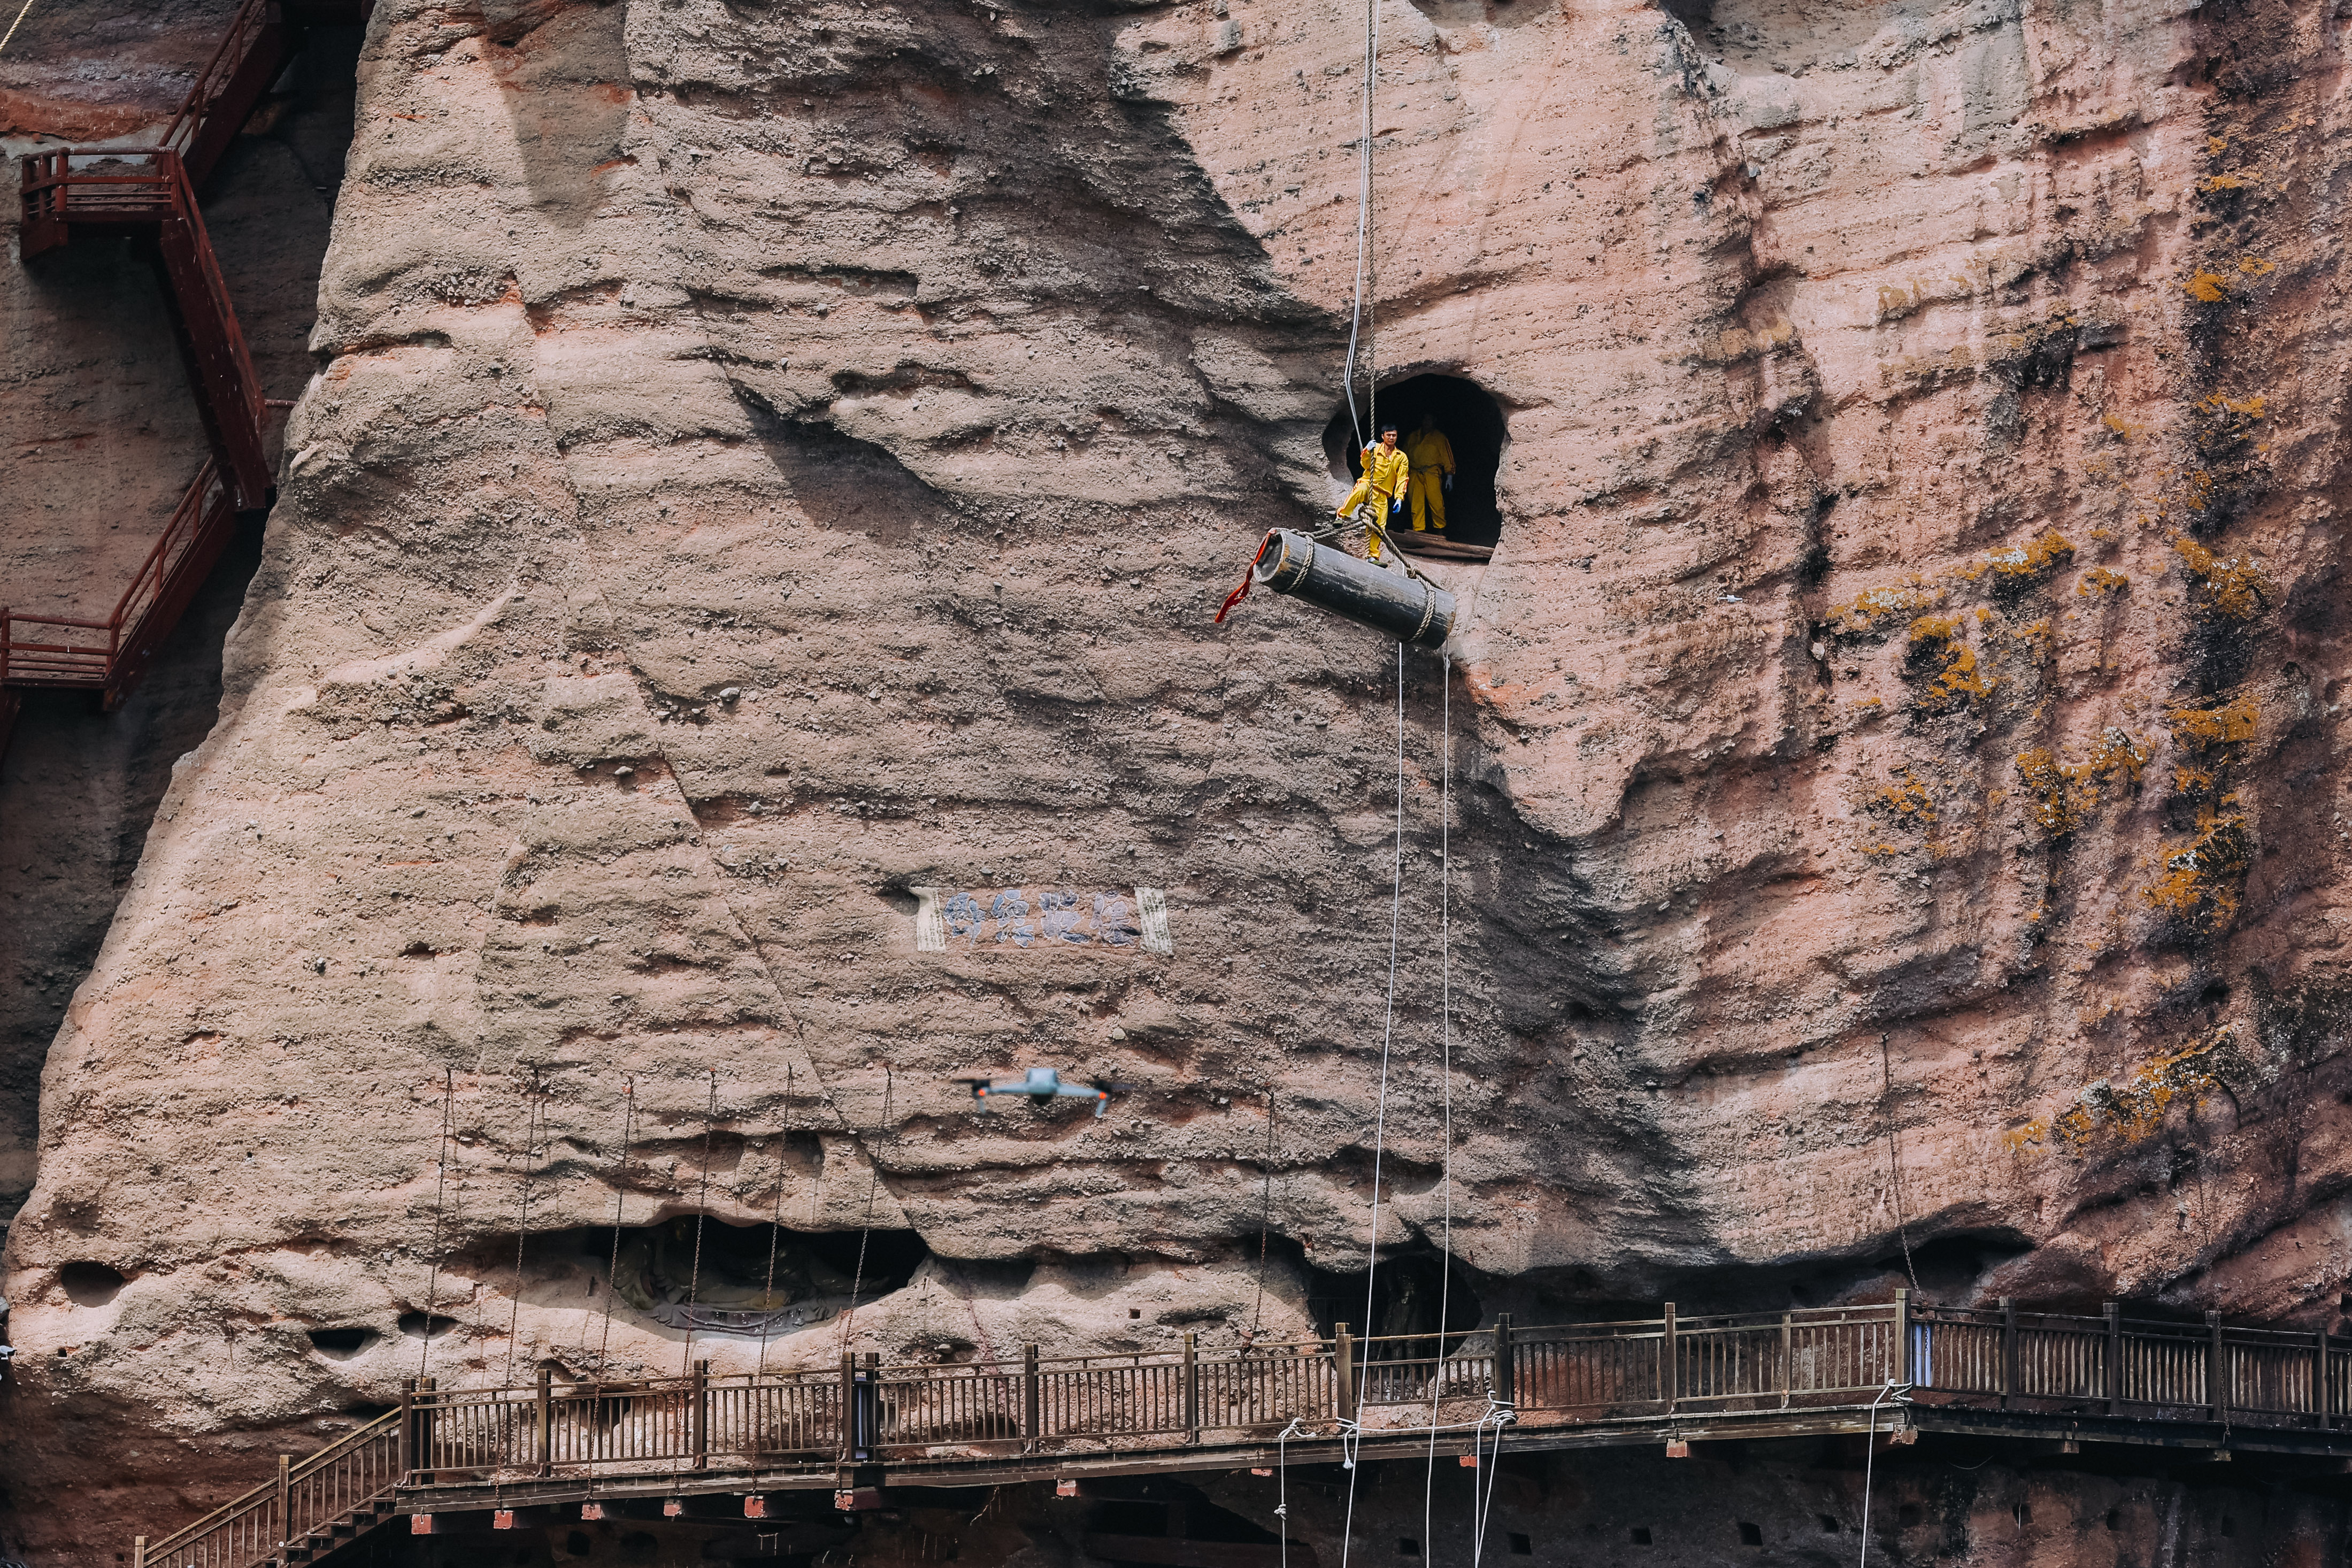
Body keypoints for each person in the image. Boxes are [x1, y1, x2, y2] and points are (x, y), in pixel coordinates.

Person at [1336, 421, 1410, 559]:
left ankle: (1372, 556)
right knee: (1359, 492)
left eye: (1394, 435)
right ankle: (1342, 516)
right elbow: (1365, 465)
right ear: (1383, 436)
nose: (1391, 438)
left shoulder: (1401, 457)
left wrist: (1399, 498)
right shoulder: (1375, 449)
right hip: (1368, 484)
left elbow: (1402, 478)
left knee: (1379, 526)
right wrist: (1366, 451)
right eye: (1389, 435)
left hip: (1383, 494)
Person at [1403, 412, 1455, 535]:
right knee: (1416, 504)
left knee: (1437, 503)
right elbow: (1403, 457)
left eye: (1430, 420)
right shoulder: (1413, 437)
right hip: (1414, 473)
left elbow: (1448, 457)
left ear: (1434, 421)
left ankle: (1440, 530)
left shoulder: (1440, 438)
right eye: (1425, 419)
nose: (1427, 422)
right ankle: (1419, 531)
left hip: (1432, 473)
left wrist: (1450, 476)